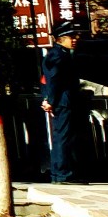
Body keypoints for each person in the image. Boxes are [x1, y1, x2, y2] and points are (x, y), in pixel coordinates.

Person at [40, 24, 89, 183]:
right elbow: (53, 81)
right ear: (62, 39)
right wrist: (50, 101)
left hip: (63, 102)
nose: (75, 39)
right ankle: (62, 173)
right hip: (63, 102)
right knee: (63, 137)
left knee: (65, 137)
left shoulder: (62, 54)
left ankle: (63, 172)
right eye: (72, 37)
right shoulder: (58, 56)